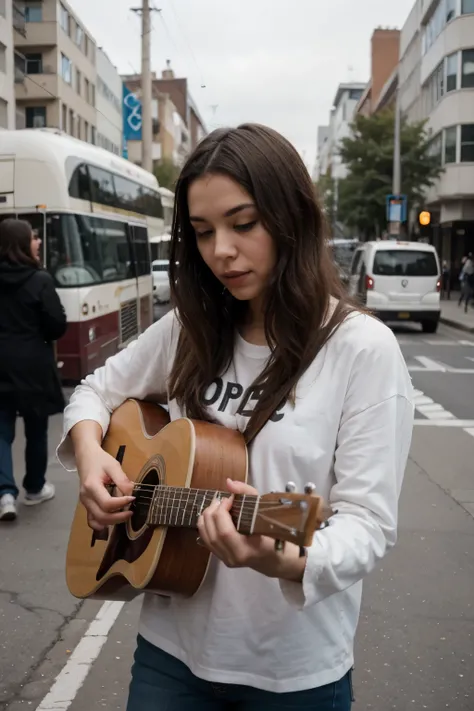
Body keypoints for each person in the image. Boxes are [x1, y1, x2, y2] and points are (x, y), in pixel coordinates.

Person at [57, 124, 414, 711]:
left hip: (293, 673)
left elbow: (367, 525)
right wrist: (93, 458)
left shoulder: (361, 350)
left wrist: (283, 557)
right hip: (169, 652)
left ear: (291, 217)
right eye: (202, 232)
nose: (220, 250)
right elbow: (93, 390)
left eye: (242, 224)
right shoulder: (188, 331)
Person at [0, 219, 67, 521]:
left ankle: (4, 494)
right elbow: (56, 326)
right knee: (36, 429)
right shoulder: (40, 280)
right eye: (33, 238)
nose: (37, 242)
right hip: (33, 366)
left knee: (1, 433)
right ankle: (35, 488)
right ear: (23, 243)